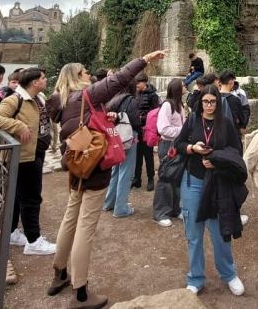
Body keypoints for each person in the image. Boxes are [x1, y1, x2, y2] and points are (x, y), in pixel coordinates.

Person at [44, 50, 166, 308]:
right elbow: (119, 79)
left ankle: (59, 274)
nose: (89, 75)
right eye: (86, 72)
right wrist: (145, 59)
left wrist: (104, 115)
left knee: (70, 218)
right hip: (94, 166)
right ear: (77, 76)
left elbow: (82, 122)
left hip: (76, 165)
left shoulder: (60, 101)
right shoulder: (86, 94)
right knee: (85, 228)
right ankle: (80, 291)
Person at [174, 85, 246, 296]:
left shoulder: (226, 124)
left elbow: (236, 152)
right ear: (200, 102)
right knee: (194, 233)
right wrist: (192, 148)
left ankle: (229, 274)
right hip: (193, 181)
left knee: (220, 231)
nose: (209, 106)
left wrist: (217, 161)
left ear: (218, 102)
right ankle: (195, 277)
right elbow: (179, 143)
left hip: (217, 183)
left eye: (212, 102)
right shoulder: (194, 120)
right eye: (205, 102)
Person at [0, 68, 56, 256]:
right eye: (43, 77)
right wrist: (18, 125)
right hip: (24, 157)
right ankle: (34, 241)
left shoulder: (39, 97)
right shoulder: (15, 99)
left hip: (35, 153)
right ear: (34, 82)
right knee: (31, 198)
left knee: (17, 196)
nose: (46, 79)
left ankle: (11, 232)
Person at [102, 84, 141, 218]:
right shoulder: (131, 100)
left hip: (114, 138)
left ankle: (108, 203)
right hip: (127, 139)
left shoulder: (113, 100)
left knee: (115, 171)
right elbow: (135, 122)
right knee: (126, 172)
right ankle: (120, 208)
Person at [153, 78, 185, 227]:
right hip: (168, 145)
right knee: (166, 179)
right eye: (183, 85)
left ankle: (174, 209)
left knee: (176, 178)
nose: (185, 87)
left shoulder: (180, 105)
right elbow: (163, 129)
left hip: (177, 145)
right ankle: (161, 213)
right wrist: (183, 131)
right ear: (178, 88)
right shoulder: (167, 105)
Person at [131, 73, 160, 191]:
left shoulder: (153, 96)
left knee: (148, 156)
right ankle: (137, 179)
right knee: (137, 155)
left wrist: (142, 118)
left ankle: (150, 179)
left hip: (147, 129)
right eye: (136, 83)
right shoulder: (136, 93)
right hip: (137, 128)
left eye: (139, 83)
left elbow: (155, 113)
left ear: (145, 82)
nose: (137, 85)